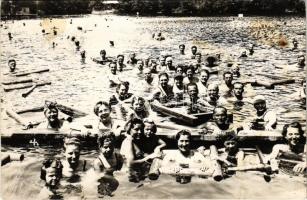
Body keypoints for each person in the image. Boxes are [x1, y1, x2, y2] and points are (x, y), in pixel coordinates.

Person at [120, 118, 161, 182]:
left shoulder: (133, 140)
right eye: (136, 129)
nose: (139, 132)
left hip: (138, 173)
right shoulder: (128, 142)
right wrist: (148, 157)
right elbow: (130, 163)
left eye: (141, 129)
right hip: (131, 176)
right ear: (129, 130)